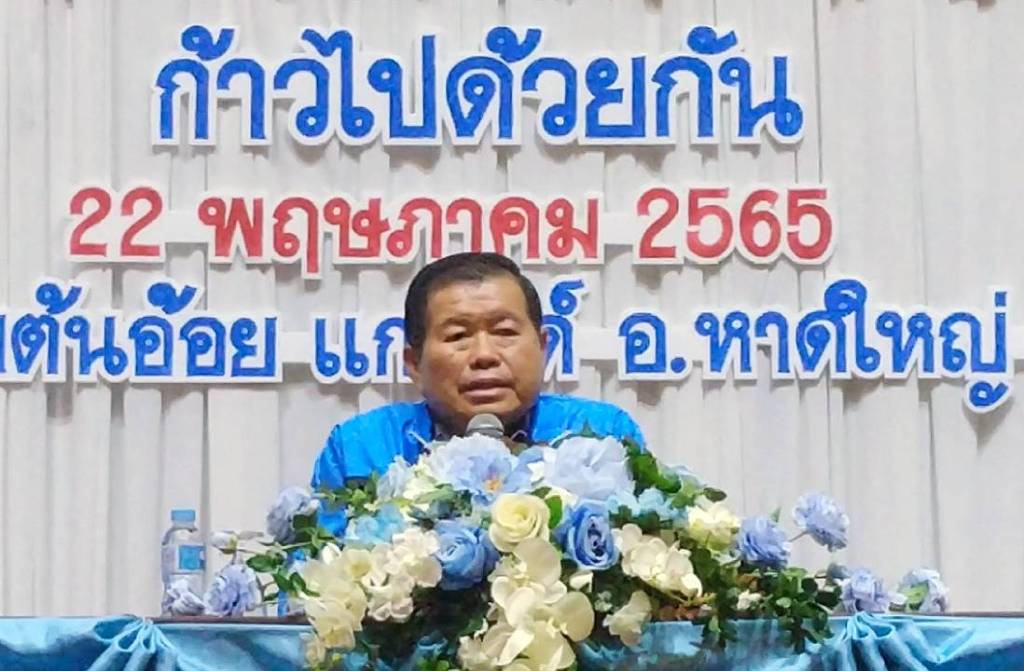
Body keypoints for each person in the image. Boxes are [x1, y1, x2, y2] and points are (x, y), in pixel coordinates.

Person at [311, 252, 644, 533]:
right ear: (414, 363)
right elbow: (316, 579)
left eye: (504, 332)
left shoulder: (604, 436)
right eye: (458, 336)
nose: (484, 355)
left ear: (542, 347)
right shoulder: (359, 448)